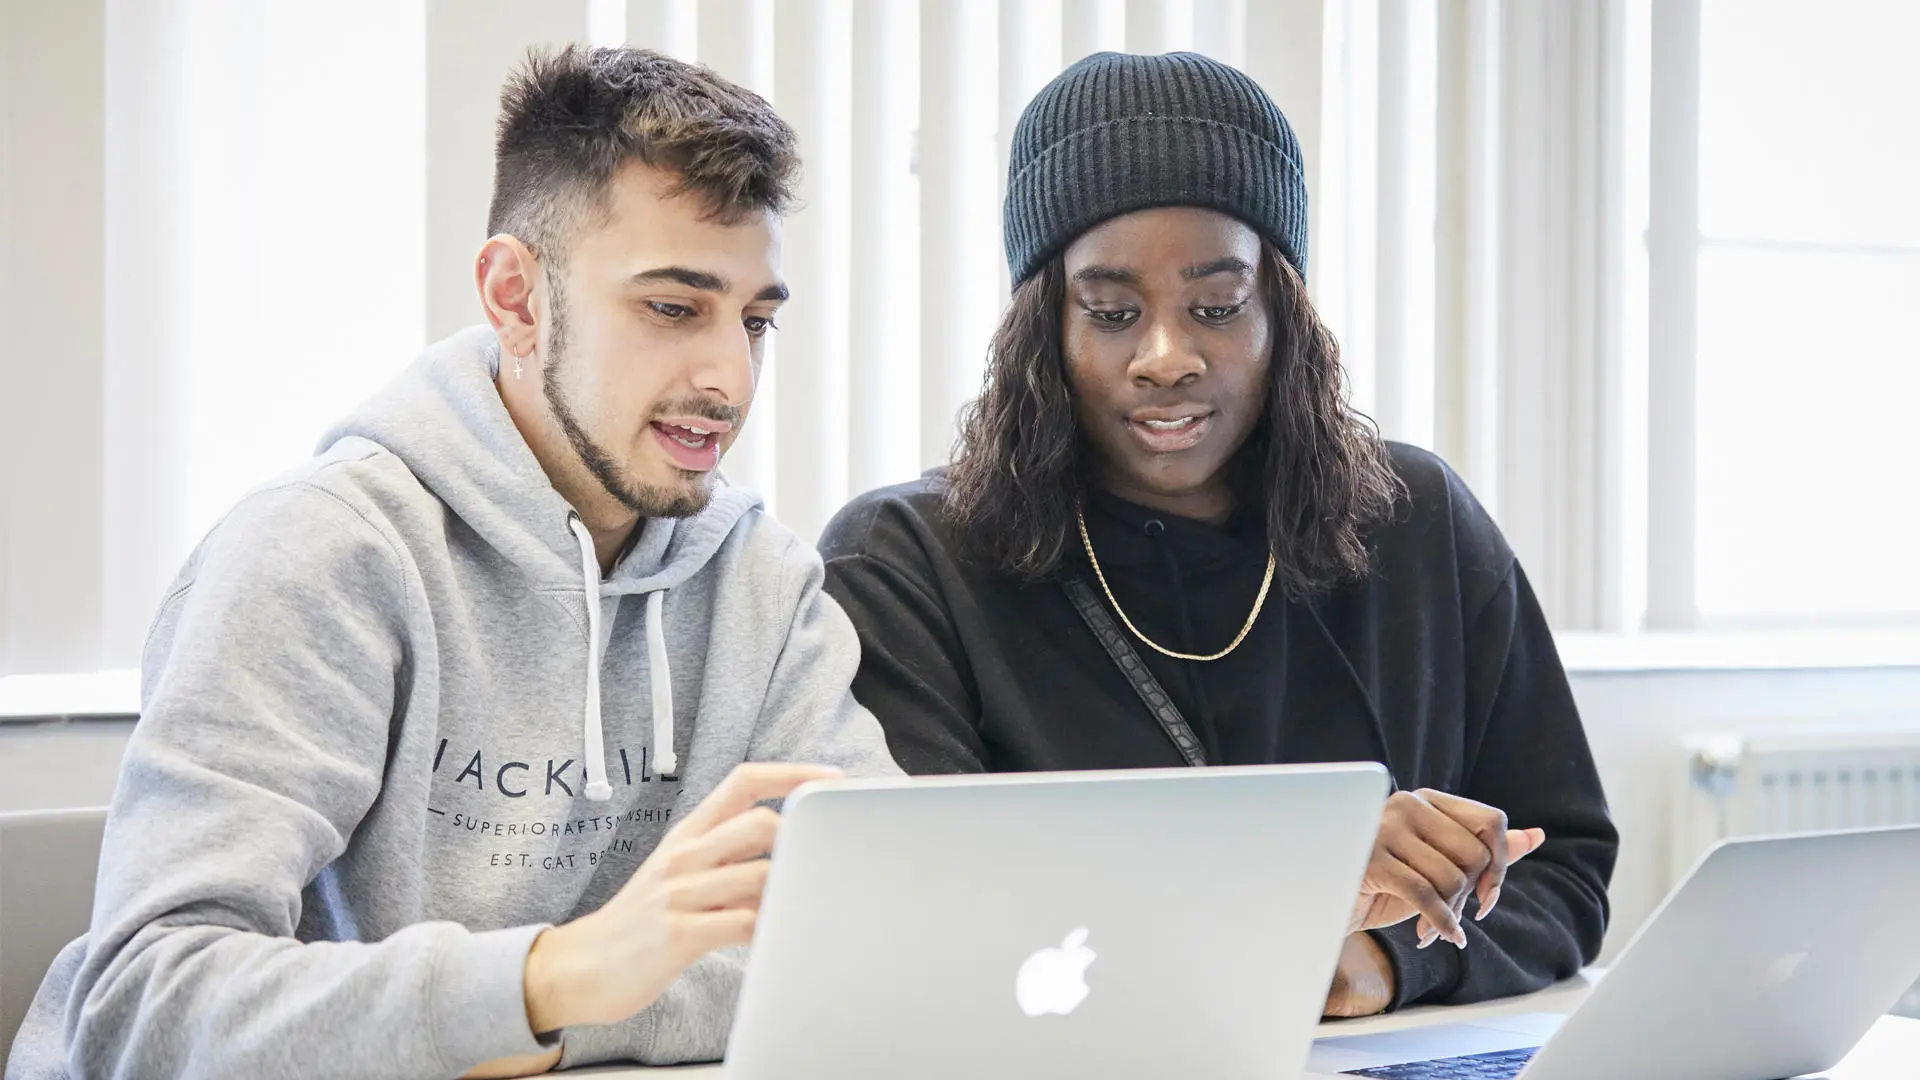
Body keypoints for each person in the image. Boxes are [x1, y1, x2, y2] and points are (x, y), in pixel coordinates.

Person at [6, 47, 898, 1080]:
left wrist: (560, 1012)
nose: (730, 380)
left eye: (756, 322)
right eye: (672, 307)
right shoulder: (318, 554)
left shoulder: (761, 584)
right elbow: (144, 1008)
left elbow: (870, 942)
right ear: (516, 297)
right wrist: (550, 979)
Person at [818, 51, 1617, 1019]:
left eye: (1217, 308)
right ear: (1044, 330)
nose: (1167, 357)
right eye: (1112, 312)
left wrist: (1374, 965)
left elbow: (1562, 869)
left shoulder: (1418, 523)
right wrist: (1302, 877)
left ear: (1283, 314)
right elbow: (928, 923)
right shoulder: (907, 563)